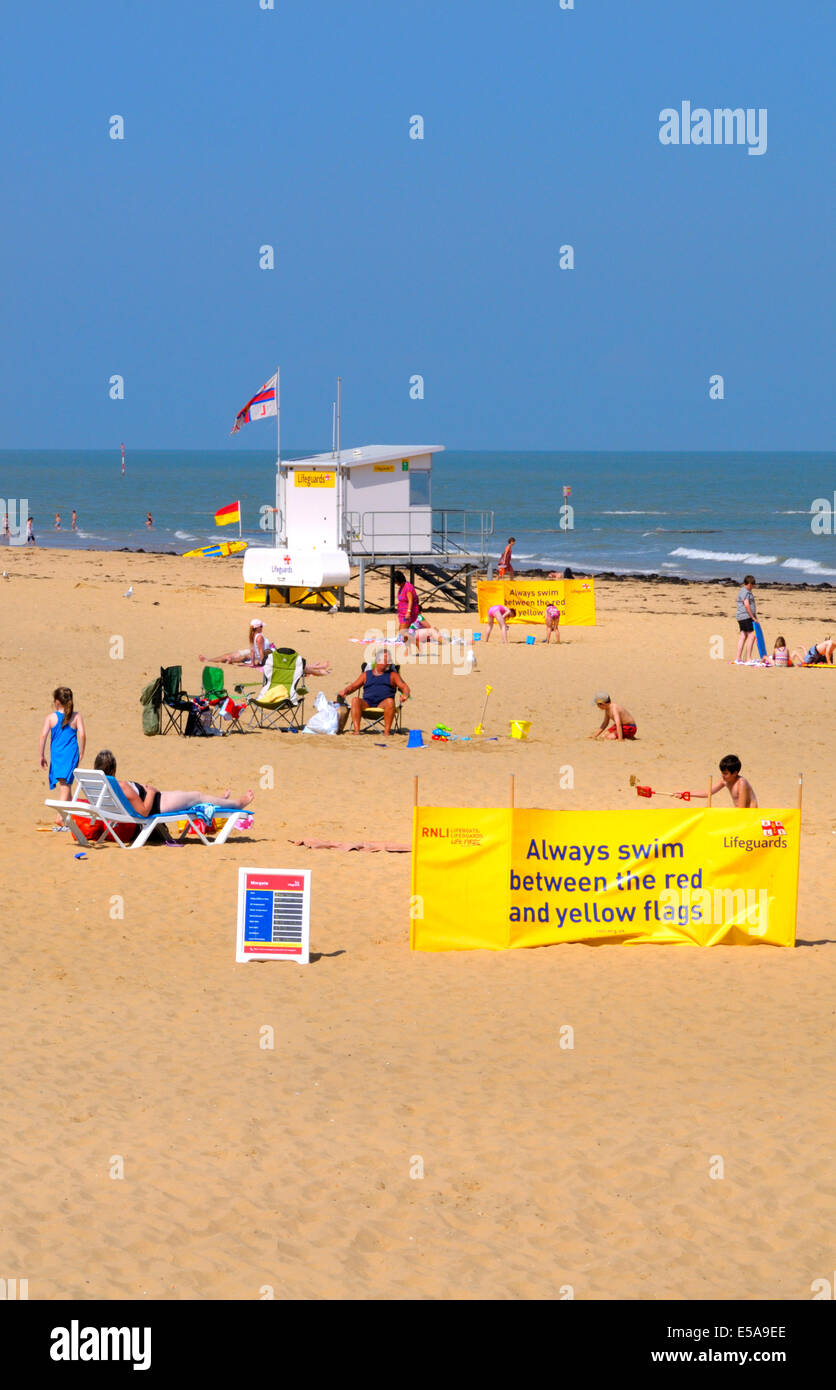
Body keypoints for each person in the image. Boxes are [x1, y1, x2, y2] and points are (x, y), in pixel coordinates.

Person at [92, 749, 254, 818]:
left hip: (159, 800)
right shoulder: (121, 786)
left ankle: (218, 800)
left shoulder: (100, 786)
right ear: (114, 768)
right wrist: (152, 792)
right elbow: (144, 812)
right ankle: (238, 803)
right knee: (197, 796)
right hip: (159, 804)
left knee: (195, 797)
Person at [39, 686, 86, 826]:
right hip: (70, 754)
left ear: (57, 702)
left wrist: (41, 755)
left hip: (57, 755)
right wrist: (82, 751)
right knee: (66, 785)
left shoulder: (51, 717)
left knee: (65, 785)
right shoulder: (76, 716)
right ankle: (62, 817)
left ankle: (66, 817)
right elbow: (82, 734)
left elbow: (43, 736)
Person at [338, 653, 411, 735]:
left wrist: (405, 694)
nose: (390, 663)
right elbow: (353, 686)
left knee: (390, 701)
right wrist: (345, 691)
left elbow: (404, 687)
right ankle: (357, 731)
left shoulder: (393, 675)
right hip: (367, 705)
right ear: (378, 661)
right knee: (355, 700)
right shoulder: (366, 674)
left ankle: (386, 732)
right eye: (387, 661)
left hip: (383, 706)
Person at [686, 755, 758, 808]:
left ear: (735, 773)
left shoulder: (741, 783)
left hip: (750, 816)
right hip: (739, 814)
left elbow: (742, 808)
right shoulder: (725, 780)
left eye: (725, 773)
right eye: (722, 772)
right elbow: (707, 793)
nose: (722, 775)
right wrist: (686, 794)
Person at [200, 620, 275, 667]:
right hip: (260, 655)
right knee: (244, 657)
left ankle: (208, 660)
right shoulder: (259, 637)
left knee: (231, 655)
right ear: (257, 628)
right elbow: (261, 652)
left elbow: (252, 650)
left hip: (254, 653)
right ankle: (231, 660)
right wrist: (262, 663)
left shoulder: (252, 635)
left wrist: (252, 663)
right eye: (261, 626)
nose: (262, 628)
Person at [735, 575, 757, 662]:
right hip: (746, 616)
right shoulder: (746, 592)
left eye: (753, 585)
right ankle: (748, 658)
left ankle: (738, 657)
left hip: (741, 617)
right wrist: (752, 617)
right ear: (746, 584)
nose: (752, 587)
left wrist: (755, 617)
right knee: (751, 636)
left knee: (743, 636)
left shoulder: (743, 591)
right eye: (751, 585)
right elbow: (747, 605)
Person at [394, 570, 420, 635]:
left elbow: (410, 601)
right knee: (401, 632)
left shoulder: (407, 587)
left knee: (403, 632)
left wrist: (408, 612)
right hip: (402, 613)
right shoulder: (401, 587)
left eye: (396, 582)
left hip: (408, 613)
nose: (396, 583)